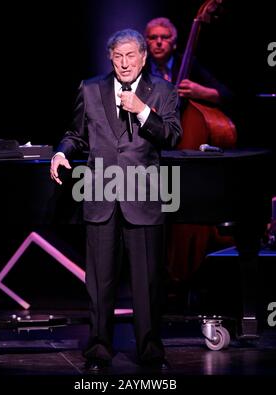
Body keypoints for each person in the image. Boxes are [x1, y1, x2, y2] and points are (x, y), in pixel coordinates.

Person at [50, 29, 182, 372]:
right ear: (111, 58)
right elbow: (75, 135)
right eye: (117, 57)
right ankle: (97, 352)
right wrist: (62, 153)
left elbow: (171, 135)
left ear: (143, 57)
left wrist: (142, 111)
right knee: (99, 284)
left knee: (148, 285)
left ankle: (152, 353)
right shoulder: (91, 88)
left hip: (145, 198)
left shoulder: (163, 90)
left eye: (130, 56)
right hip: (101, 196)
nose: (124, 63)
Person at [144, 17, 235, 292]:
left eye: (164, 37)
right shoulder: (140, 68)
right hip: (153, 155)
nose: (159, 42)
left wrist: (200, 91)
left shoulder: (189, 64)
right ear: (146, 42)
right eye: (152, 37)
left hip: (189, 165)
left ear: (174, 42)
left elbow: (228, 95)